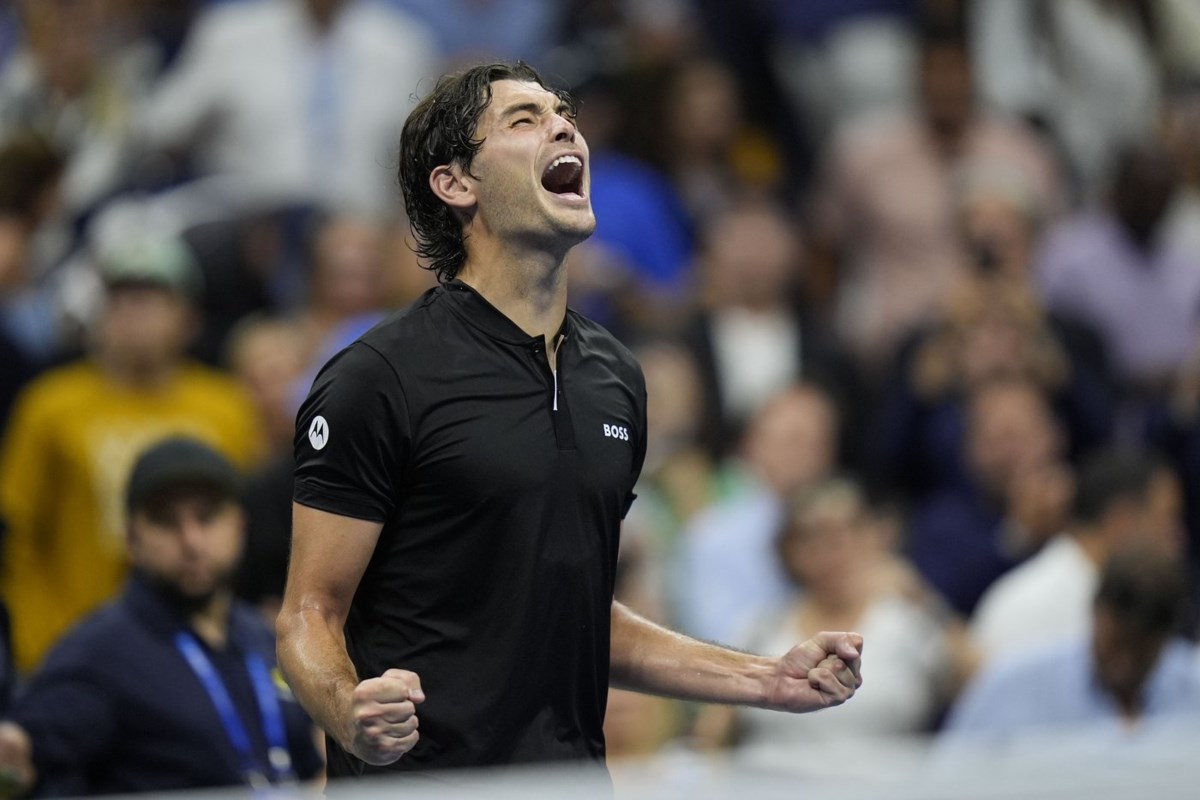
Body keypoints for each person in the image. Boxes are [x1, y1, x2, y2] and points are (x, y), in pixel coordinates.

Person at [276, 61, 863, 780]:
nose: (563, 127)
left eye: (564, 115)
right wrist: (348, 714)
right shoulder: (378, 377)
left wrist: (768, 680)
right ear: (456, 184)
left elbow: (582, 618)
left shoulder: (615, 378)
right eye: (523, 120)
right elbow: (308, 615)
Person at [0, 437, 323, 795]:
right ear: (132, 539)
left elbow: (307, 761)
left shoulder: (263, 636)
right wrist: (17, 754)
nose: (191, 541)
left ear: (240, 526)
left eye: (207, 517)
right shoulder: (100, 653)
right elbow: (30, 748)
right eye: (166, 522)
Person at [0, 232, 263, 672]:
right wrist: (40, 642)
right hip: (74, 647)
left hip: (202, 649)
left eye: (153, 299)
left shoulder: (227, 407)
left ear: (188, 317)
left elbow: (246, 525)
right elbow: (19, 539)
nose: (136, 314)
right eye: (122, 299)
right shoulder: (49, 406)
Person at [944, 544, 1200, 746]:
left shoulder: (1192, 687)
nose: (1124, 664)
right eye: (1115, 645)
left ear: (1166, 640)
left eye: (1141, 653)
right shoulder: (1011, 689)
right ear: (1095, 613)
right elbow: (949, 781)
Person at [970, 449, 1184, 667]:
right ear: (1123, 523)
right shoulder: (1030, 608)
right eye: (1167, 520)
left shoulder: (1016, 595)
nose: (1178, 540)